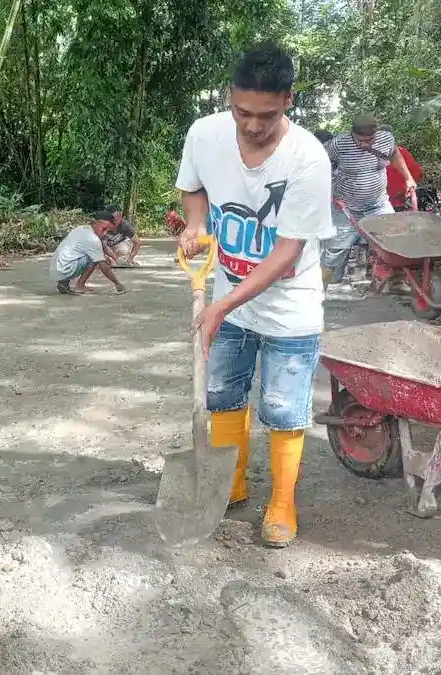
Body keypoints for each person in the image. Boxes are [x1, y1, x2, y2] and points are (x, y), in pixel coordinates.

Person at [176, 43, 333, 548]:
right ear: (230, 98)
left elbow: (287, 252)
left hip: (291, 306)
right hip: (227, 292)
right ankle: (231, 483)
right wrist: (198, 223)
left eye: (266, 115)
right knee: (222, 395)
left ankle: (282, 501)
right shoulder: (204, 134)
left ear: (288, 99)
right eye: (242, 111)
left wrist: (222, 304)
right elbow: (193, 187)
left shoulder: (308, 157)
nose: (252, 125)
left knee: (284, 407)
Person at [323, 116, 417, 280]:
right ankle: (324, 287)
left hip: (378, 203)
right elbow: (319, 162)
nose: (364, 144)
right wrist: (327, 189)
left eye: (369, 140)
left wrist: (408, 177)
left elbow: (394, 154)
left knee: (392, 241)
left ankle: (389, 279)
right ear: (352, 133)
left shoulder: (385, 138)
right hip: (346, 208)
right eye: (360, 140)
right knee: (336, 251)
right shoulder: (339, 144)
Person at [50, 212, 128, 294]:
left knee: (96, 256)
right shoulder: (93, 239)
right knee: (95, 259)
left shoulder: (83, 228)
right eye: (104, 229)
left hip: (57, 268)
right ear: (95, 223)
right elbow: (103, 265)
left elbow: (103, 247)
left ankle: (63, 282)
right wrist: (117, 283)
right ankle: (79, 286)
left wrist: (115, 258)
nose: (105, 233)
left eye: (108, 231)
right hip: (65, 269)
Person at [386, 144, 422, 211]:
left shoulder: (400, 152)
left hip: (386, 201)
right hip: (400, 200)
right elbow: (416, 171)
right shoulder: (402, 151)